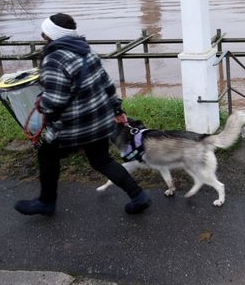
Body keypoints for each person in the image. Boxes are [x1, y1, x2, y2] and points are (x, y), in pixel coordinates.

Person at [14, 13, 151, 216]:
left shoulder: (54, 59)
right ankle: (138, 196)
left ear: (49, 36)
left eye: (44, 33)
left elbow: (55, 101)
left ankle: (46, 202)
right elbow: (106, 84)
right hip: (99, 121)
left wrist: (39, 104)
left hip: (73, 126)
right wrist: (117, 109)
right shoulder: (87, 51)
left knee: (47, 155)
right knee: (101, 160)